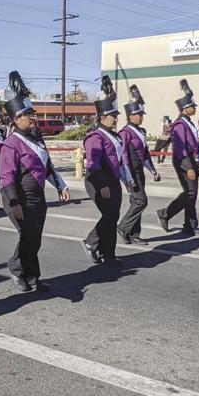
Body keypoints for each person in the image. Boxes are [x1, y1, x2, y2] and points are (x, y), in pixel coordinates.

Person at [0, 72, 69, 293]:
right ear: (17, 119)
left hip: (38, 197)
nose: (33, 118)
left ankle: (30, 276)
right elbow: (7, 177)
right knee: (28, 237)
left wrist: (61, 185)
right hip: (19, 198)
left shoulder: (37, 139)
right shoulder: (11, 144)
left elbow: (46, 167)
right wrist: (14, 202)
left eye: (32, 114)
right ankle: (22, 272)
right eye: (28, 115)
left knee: (35, 238)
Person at [81, 76, 130, 266]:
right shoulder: (95, 136)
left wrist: (127, 180)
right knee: (109, 215)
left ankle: (108, 254)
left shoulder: (114, 135)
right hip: (98, 179)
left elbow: (119, 161)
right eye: (113, 115)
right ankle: (91, 242)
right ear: (102, 117)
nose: (117, 118)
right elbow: (93, 164)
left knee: (114, 215)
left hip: (112, 179)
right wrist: (102, 185)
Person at [156, 80, 199, 237]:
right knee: (190, 193)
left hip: (191, 159)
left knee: (192, 193)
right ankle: (166, 214)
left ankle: (189, 225)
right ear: (185, 109)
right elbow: (180, 148)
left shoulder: (187, 122)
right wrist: (188, 167)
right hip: (184, 160)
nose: (195, 108)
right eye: (192, 106)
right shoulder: (179, 125)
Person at [117, 85, 160, 246]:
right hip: (130, 171)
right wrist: (128, 178)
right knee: (141, 201)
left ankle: (134, 234)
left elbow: (146, 153)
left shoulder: (141, 131)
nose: (142, 117)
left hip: (139, 170)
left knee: (136, 202)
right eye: (139, 114)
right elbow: (124, 156)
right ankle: (123, 227)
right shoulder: (125, 133)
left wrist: (153, 170)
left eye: (142, 114)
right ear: (131, 115)